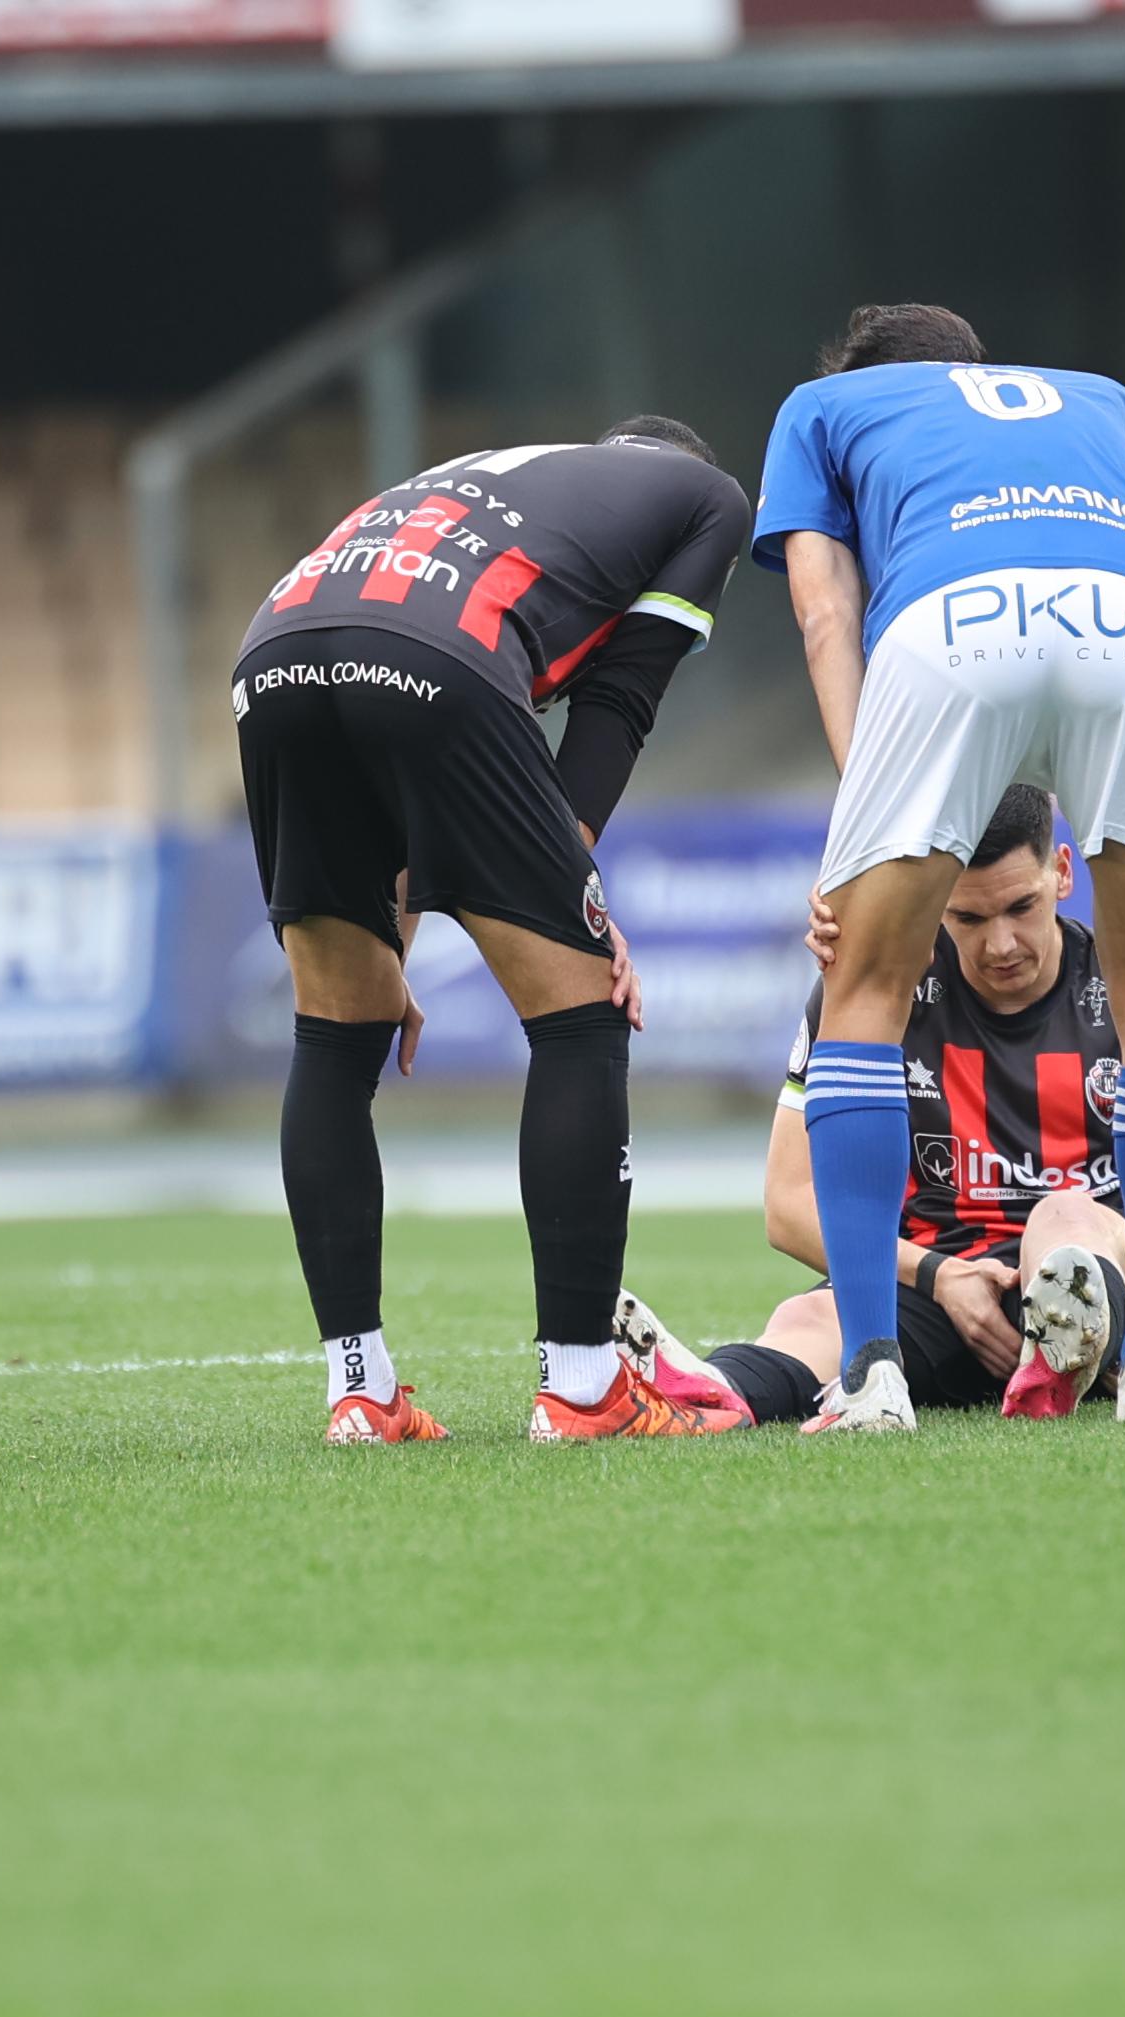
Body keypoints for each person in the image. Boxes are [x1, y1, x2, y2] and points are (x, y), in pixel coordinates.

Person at [234, 419, 753, 1443]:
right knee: (582, 1020)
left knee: (336, 1035)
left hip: (275, 654)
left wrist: (398, 940)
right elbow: (617, 701)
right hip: (431, 660)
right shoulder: (705, 502)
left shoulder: (504, 478)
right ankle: (583, 1387)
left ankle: (360, 1391)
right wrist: (578, 907)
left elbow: (381, 697)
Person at [756, 303, 1125, 1431]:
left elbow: (827, 615)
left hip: (954, 622)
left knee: (867, 986)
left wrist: (861, 825)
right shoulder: (1107, 397)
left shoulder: (823, 408)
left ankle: (870, 1378)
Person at [612, 785, 1125, 1427]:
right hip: (937, 1286)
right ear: (936, 898)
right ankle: (702, 1394)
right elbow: (789, 1203)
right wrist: (937, 1277)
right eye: (968, 916)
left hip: (1102, 1287)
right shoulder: (872, 998)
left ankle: (1063, 1335)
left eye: (1021, 908)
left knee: (1065, 1215)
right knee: (806, 1321)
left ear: (1062, 872)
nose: (1000, 944)